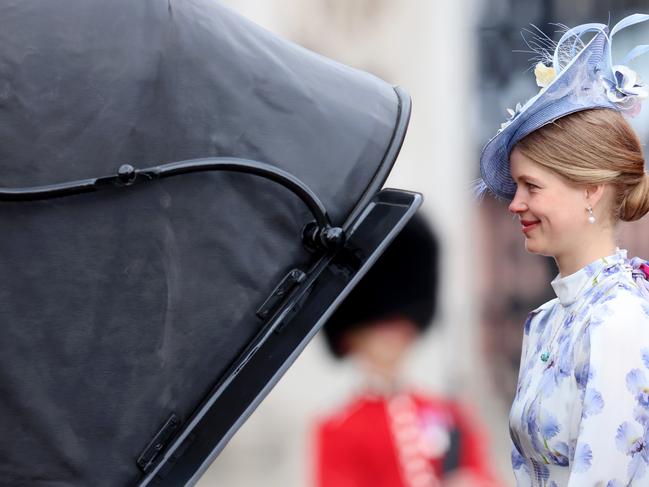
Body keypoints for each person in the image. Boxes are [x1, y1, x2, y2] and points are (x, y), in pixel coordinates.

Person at [479, 13, 649, 486]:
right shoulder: (550, 319)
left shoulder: (618, 320)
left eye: (531, 186)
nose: (515, 204)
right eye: (515, 186)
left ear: (591, 188)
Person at [313, 214, 499, 487]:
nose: (390, 337)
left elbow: (484, 474)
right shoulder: (338, 429)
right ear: (352, 337)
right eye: (379, 328)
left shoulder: (449, 413)